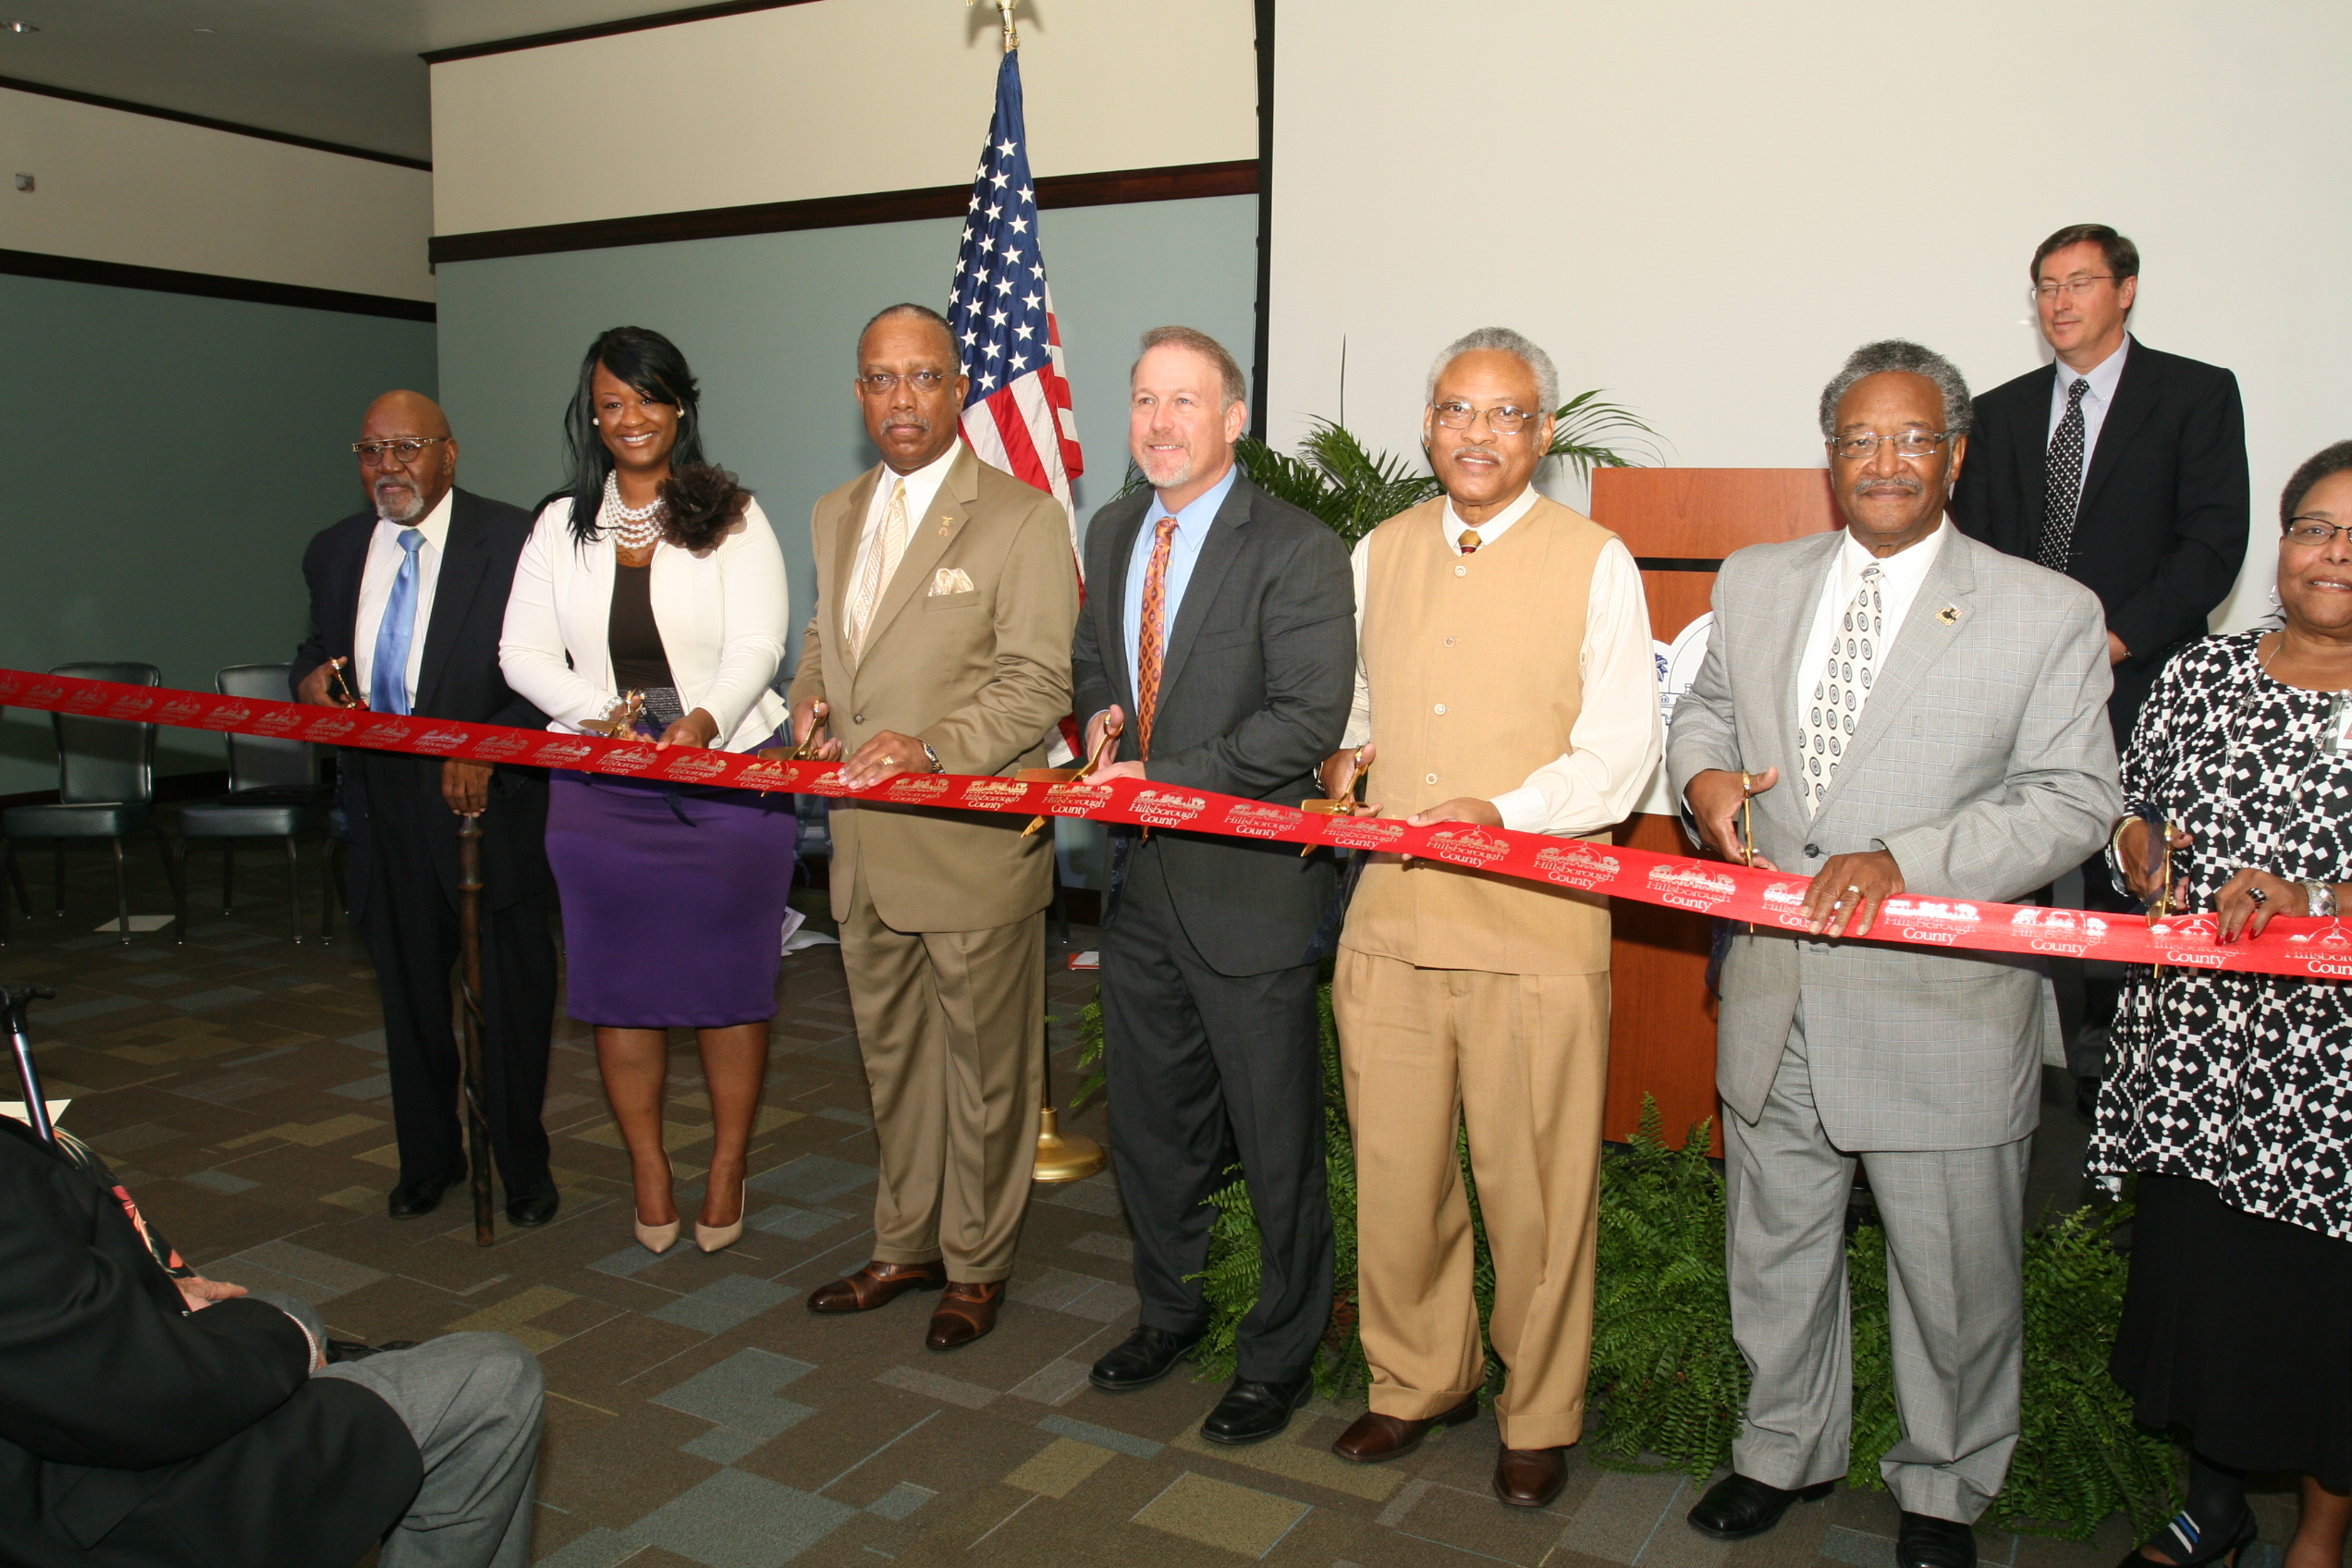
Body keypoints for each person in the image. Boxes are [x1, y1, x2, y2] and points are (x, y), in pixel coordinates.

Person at [1668, 340, 2120, 1568]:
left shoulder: (2045, 610)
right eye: (1859, 440)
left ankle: (1944, 1485)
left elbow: (2074, 801)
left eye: (1911, 439)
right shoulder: (1756, 579)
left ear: (1956, 454)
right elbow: (1705, 704)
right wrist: (1702, 772)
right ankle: (1782, 1450)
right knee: (1774, 1248)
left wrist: (1908, 861)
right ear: (1830, 459)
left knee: (1955, 1278)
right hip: (1775, 987)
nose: (1884, 463)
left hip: (1944, 1005)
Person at [1323, 328, 1660, 1508]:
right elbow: (1361, 704)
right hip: (1391, 928)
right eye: (1457, 411)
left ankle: (1539, 1407)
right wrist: (1348, 762)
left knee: (1537, 1192)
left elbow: (1621, 759)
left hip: (1537, 924)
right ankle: (1416, 1378)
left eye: (1506, 414)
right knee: (1399, 1173)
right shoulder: (1378, 550)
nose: (1478, 433)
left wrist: (1502, 812)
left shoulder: (1597, 560)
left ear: (1544, 434)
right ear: (1427, 425)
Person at [1069, 326, 1354, 1443]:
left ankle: (1279, 1353)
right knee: (1150, 1130)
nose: (1159, 423)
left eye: (1185, 401)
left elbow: (1304, 723)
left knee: (1275, 1141)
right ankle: (1170, 1310)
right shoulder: (1110, 527)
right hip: (1137, 898)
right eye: (1144, 400)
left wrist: (1160, 779)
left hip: (1249, 897)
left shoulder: (1295, 547)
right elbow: (1101, 661)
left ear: (1233, 419)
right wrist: (1099, 714)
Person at [790, 303, 1078, 1352]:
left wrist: (931, 746)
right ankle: (903, 1242)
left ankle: (977, 1262)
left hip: (969, 849)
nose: (899, 399)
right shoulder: (832, 510)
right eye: (878, 379)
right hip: (863, 846)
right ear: (859, 393)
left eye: (920, 377)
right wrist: (807, 694)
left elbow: (1037, 677)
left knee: (989, 1072)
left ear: (958, 388)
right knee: (894, 1059)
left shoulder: (1021, 516)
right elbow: (830, 634)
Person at [2087, 440, 2352, 1568]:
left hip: (2328, 1085)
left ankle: (2326, 1529)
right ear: (2281, 544)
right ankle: (2217, 1503)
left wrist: (2315, 900)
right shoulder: (2199, 674)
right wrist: (2139, 848)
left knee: (2323, 1314)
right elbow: (2126, 810)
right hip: (2191, 1060)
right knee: (2207, 1289)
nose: (2334, 555)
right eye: (2316, 528)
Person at [498, 325, 795, 1256]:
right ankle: (650, 1168)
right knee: (619, 983)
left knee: (729, 983)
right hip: (603, 783)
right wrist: (602, 716)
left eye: (649, 399)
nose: (632, 418)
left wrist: (701, 722)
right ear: (594, 412)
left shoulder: (732, 512)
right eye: (613, 401)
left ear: (680, 407)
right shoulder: (560, 523)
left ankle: (726, 1165)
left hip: (727, 777)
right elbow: (521, 652)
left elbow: (758, 644)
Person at [1950, 224, 2250, 1109]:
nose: (2060, 302)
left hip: (2144, 682)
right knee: (2014, 879)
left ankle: (2124, 1100)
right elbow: (1971, 552)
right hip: (2011, 688)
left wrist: (2110, 640)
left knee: (2137, 880)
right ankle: (2012, 1088)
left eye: (2080, 282)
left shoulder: (2195, 394)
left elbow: (2212, 543)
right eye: (2046, 285)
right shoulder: (1999, 411)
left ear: (2126, 291)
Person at [0, 1107, 544, 1568]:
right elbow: (132, 1397)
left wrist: (166, 1292)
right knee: (494, 1375)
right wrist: (289, 1340)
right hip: (76, 1517)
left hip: (57, 1427)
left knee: (287, 1308)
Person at [293, 392, 559, 1228]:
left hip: (488, 803)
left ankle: (521, 1169)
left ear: (450, 453)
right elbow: (314, 651)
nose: (388, 468)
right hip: (381, 806)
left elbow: (556, 676)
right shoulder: (335, 550)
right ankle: (428, 1161)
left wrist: (490, 745)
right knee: (408, 998)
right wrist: (305, 681)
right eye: (372, 451)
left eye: (407, 448)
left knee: (510, 1002)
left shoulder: (516, 540)